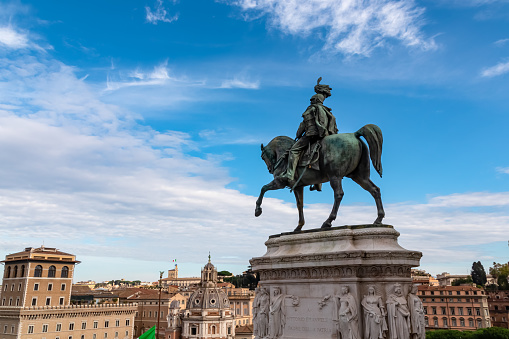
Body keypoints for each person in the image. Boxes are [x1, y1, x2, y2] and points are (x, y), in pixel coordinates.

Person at [279, 77, 338, 187]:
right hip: (326, 135)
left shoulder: (311, 109)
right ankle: (317, 183)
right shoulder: (328, 112)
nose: (310, 101)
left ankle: (289, 175)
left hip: (313, 135)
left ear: (314, 100)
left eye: (311, 100)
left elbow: (304, 125)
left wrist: (298, 134)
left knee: (293, 151)